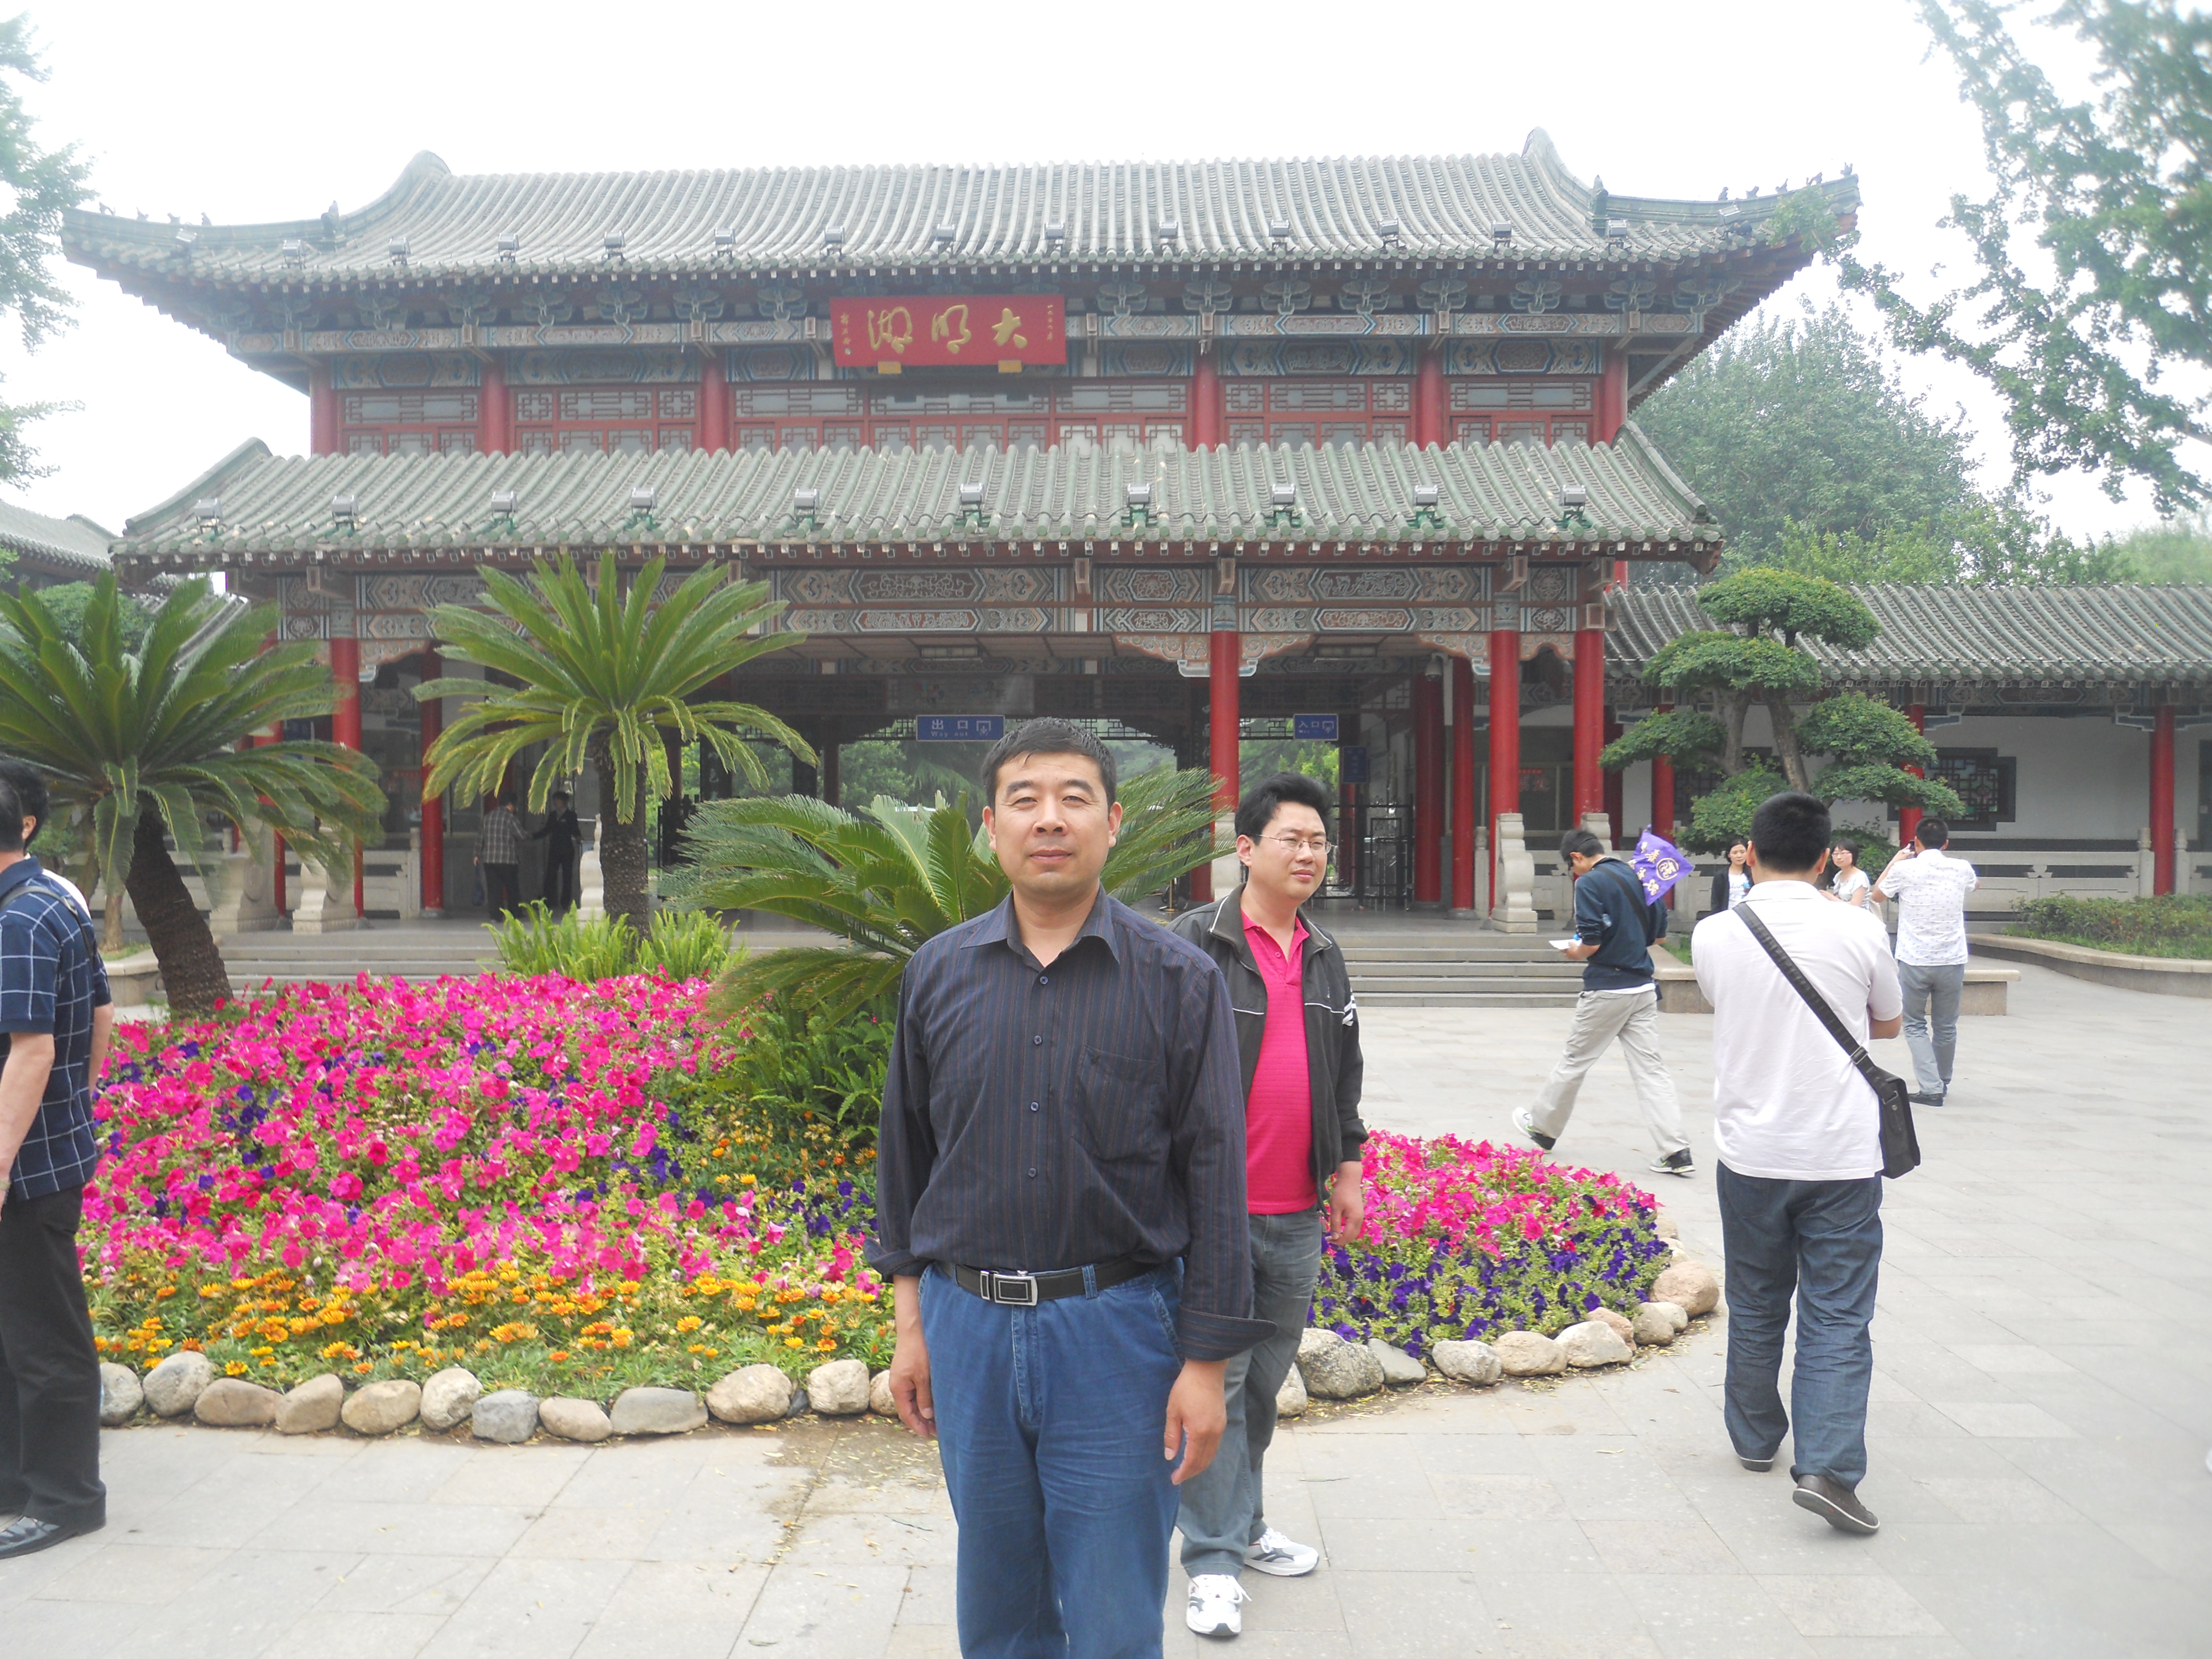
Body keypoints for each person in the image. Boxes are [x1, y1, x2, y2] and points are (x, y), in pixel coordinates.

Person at [870, 718, 1268, 1659]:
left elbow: (1216, 1177)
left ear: (1113, 822)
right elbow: (906, 1156)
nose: (1049, 819)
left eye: (1073, 798)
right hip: (967, 1327)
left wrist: (1205, 1367)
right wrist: (911, 1323)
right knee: (999, 1604)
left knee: (1112, 1610)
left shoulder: (1178, 981)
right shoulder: (937, 974)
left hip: (1116, 1334)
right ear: (991, 826)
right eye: (1025, 800)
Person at [1170, 773, 1368, 1638]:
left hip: (1296, 1212)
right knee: (1217, 1380)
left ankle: (1244, 1527)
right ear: (1246, 849)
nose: (1309, 854)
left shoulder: (1324, 951)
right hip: (1213, 1214)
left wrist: (1348, 1166)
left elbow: (1345, 1071)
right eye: (1293, 839)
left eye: (1319, 841)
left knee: (1260, 1386)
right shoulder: (1194, 944)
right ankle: (1211, 1560)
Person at [1692, 790, 1902, 1537]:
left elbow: (1727, 1005)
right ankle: (1829, 1470)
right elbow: (1888, 1023)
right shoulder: (1859, 928)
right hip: (1841, 1153)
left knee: (1755, 1297)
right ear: (1823, 859)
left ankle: (1754, 1438)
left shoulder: (1715, 932)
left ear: (1749, 852)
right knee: (1838, 1311)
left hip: (1751, 1151)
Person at [0, 767, 114, 1559]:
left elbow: (31, 1051)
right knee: (18, 1330)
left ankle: (68, 1498)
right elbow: (101, 1013)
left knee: (44, 1336)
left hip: (25, 1169)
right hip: (49, 1149)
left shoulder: (17, 920)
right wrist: (80, 1100)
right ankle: (19, 1480)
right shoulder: (57, 902)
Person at [1516, 827, 1692, 1178]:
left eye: (1571, 867)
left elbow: (1591, 943)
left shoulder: (1589, 883)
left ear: (1577, 857)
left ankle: (1543, 1129)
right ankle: (1676, 1151)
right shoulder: (1640, 875)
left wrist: (1573, 951)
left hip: (1607, 987)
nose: (1573, 874)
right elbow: (1658, 937)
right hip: (1642, 988)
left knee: (1575, 1061)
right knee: (1652, 1071)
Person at [1874, 819, 1978, 1107]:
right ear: (1946, 843)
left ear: (1916, 842)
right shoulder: (1961, 868)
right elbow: (1975, 885)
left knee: (1914, 1024)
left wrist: (1896, 860)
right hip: (1952, 958)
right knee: (1946, 1026)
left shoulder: (1904, 869)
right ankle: (1942, 1081)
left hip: (1915, 958)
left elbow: (1877, 895)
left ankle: (1931, 1087)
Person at [526, 790, 582, 913]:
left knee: (567, 876)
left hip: (567, 849)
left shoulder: (571, 815)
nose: (556, 803)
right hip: (555, 849)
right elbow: (547, 830)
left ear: (564, 802)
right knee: (551, 876)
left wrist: (579, 837)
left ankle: (565, 902)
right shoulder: (553, 815)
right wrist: (533, 836)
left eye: (558, 800)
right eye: (555, 800)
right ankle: (548, 901)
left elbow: (575, 829)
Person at [476, 795, 522, 920]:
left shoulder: (487, 817)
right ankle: (514, 914)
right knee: (512, 888)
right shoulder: (510, 818)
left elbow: (480, 838)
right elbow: (521, 834)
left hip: (490, 860)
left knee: (494, 889)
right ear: (511, 805)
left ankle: (495, 915)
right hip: (508, 860)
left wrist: (477, 854)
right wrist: (531, 835)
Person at [1710, 841, 1751, 915]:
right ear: (1729, 855)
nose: (1739, 856)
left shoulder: (1753, 873)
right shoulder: (1721, 875)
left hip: (1749, 916)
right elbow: (1716, 902)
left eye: (1742, 852)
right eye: (1735, 853)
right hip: (1729, 915)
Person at [1827, 844, 1871, 909]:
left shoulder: (1860, 877)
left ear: (1853, 855)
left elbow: (1856, 905)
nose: (1839, 857)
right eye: (1835, 854)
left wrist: (1831, 898)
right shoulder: (1839, 875)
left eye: (1843, 853)